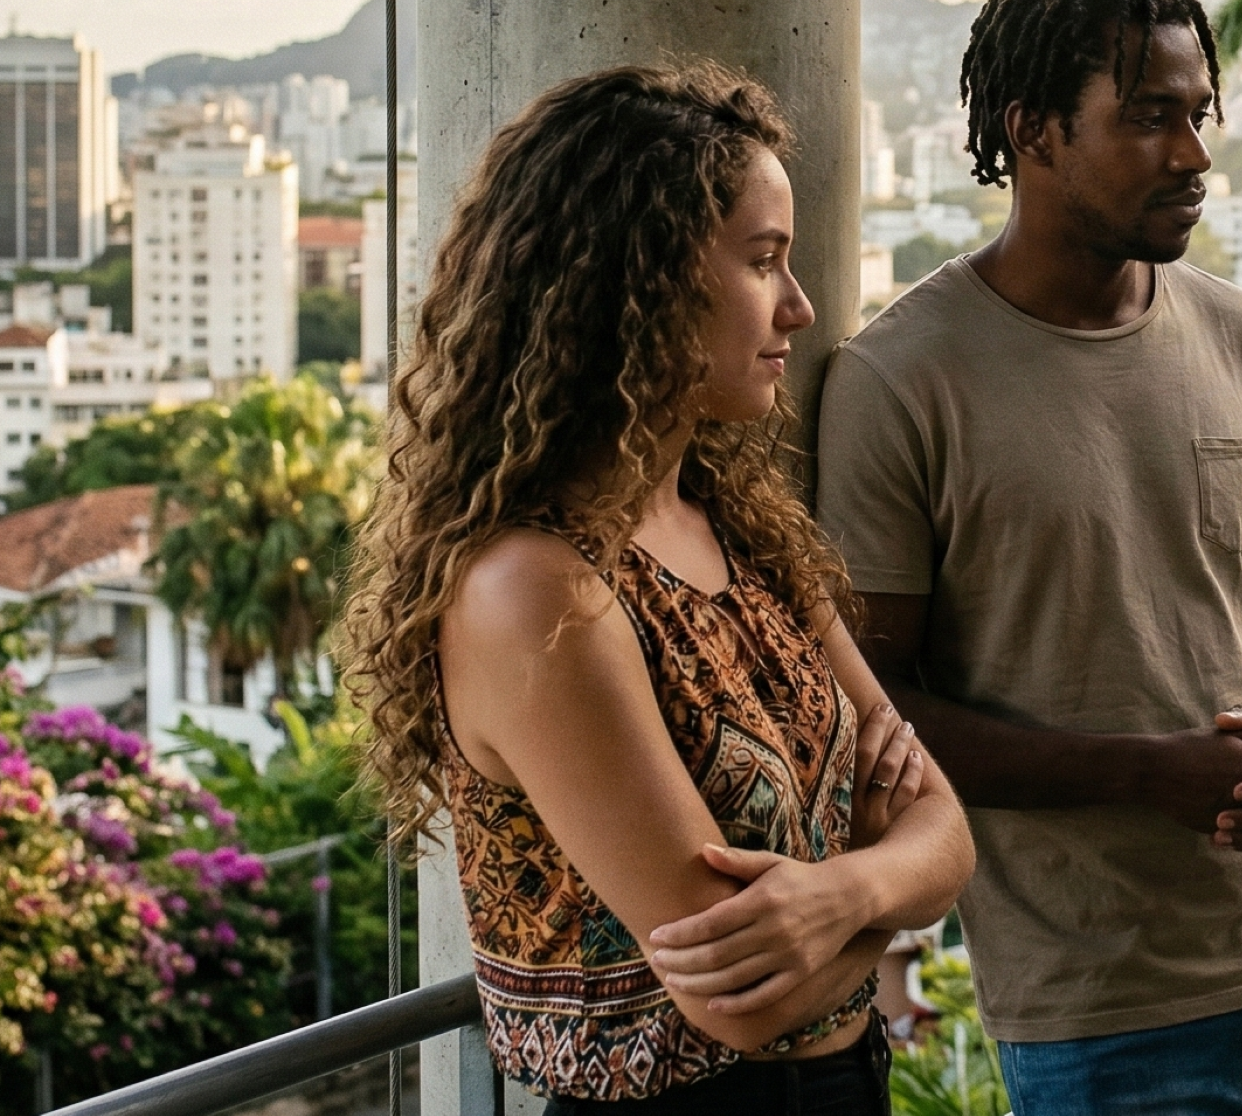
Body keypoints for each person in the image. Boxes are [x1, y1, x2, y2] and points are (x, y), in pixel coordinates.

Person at [336, 65, 975, 1115]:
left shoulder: (741, 527)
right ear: (639, 282)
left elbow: (950, 829)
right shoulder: (536, 593)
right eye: (764, 261)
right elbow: (739, 998)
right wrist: (883, 869)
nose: (801, 307)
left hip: (848, 1087)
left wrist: (840, 892)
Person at [815, 0, 1242, 1115]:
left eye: (1199, 115)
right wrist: (1145, 773)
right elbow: (875, 708)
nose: (1195, 154)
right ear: (1034, 132)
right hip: (1096, 1008)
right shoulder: (901, 381)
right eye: (1150, 118)